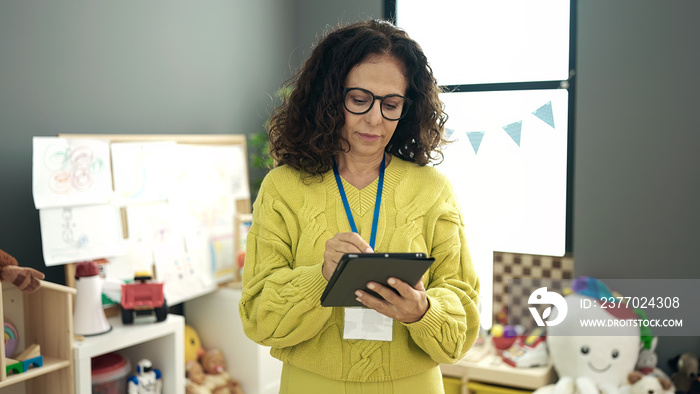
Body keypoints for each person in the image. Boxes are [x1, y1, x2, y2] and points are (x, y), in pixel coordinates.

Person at [239, 19, 480, 393]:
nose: (374, 119)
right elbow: (258, 316)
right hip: (312, 385)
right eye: (359, 99)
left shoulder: (433, 190)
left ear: (407, 107)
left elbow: (461, 326)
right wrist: (320, 276)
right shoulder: (283, 188)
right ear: (329, 97)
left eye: (391, 104)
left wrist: (422, 311)